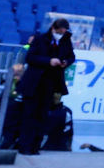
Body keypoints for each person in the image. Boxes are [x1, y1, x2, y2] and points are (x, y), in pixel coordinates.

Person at [16, 19, 75, 155]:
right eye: (59, 31)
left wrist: (66, 62)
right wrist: (49, 61)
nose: (61, 34)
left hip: (51, 84)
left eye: (63, 32)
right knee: (30, 115)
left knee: (42, 116)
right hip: (34, 83)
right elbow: (31, 58)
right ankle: (25, 146)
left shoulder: (66, 41)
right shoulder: (40, 39)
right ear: (53, 28)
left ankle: (36, 146)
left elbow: (71, 56)